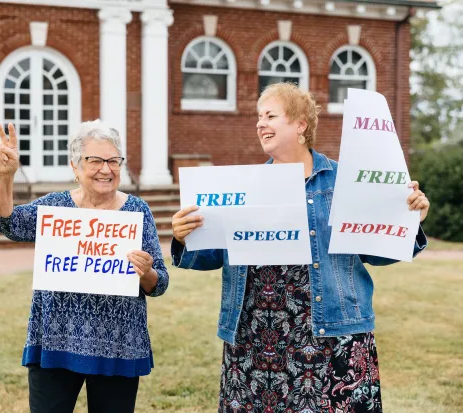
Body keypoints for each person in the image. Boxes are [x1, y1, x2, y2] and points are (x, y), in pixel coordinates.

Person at [171, 83, 429, 413]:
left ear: (300, 125)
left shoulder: (343, 182)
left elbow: (377, 250)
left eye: (270, 115)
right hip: (258, 338)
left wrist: (409, 219)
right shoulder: (243, 186)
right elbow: (212, 254)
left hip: (331, 333)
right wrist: (182, 237)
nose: (260, 123)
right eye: (258, 117)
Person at [0, 119, 169, 413]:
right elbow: (7, 223)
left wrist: (146, 272)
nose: (106, 169)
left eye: (113, 161)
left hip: (118, 345)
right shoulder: (56, 208)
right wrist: (5, 177)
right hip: (55, 341)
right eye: (95, 160)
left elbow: (159, 283)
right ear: (75, 166)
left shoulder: (137, 210)